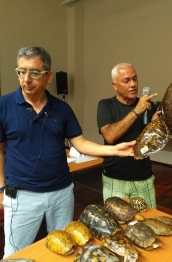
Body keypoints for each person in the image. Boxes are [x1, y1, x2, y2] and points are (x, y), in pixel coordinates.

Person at [0, 46, 136, 257]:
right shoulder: (4, 105)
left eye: (34, 72)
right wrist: (1, 187)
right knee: (16, 254)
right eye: (21, 71)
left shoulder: (62, 109)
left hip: (61, 193)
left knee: (66, 249)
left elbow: (79, 143)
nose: (26, 79)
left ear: (49, 76)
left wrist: (114, 150)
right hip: (22, 196)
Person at [97, 63, 160, 209]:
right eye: (126, 81)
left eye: (135, 79)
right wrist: (136, 111)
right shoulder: (106, 105)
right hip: (114, 177)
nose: (133, 84)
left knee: (149, 222)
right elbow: (110, 136)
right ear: (114, 85)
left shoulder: (148, 106)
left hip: (142, 177)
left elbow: (153, 144)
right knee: (118, 225)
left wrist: (155, 128)